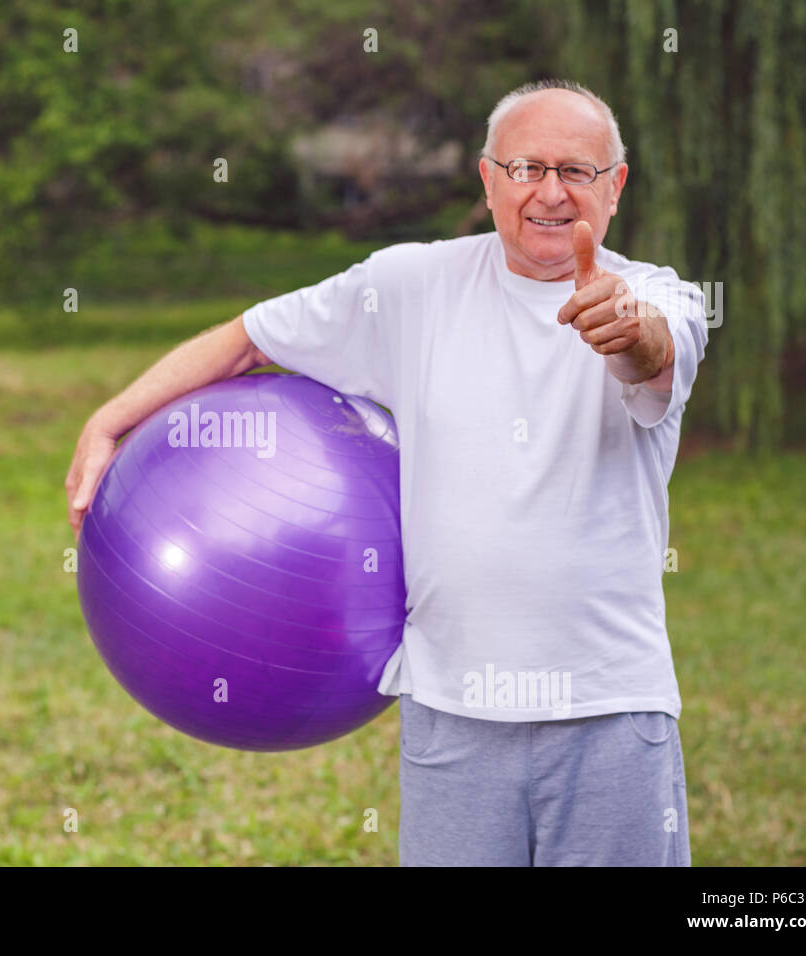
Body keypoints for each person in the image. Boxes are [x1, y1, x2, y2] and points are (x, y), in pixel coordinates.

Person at [65, 79, 708, 866]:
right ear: (487, 178)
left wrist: (625, 331)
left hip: (612, 713)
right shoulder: (410, 287)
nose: (549, 192)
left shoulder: (658, 297)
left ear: (616, 186)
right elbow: (245, 339)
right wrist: (110, 420)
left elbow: (655, 354)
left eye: (576, 171)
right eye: (526, 167)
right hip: (452, 716)